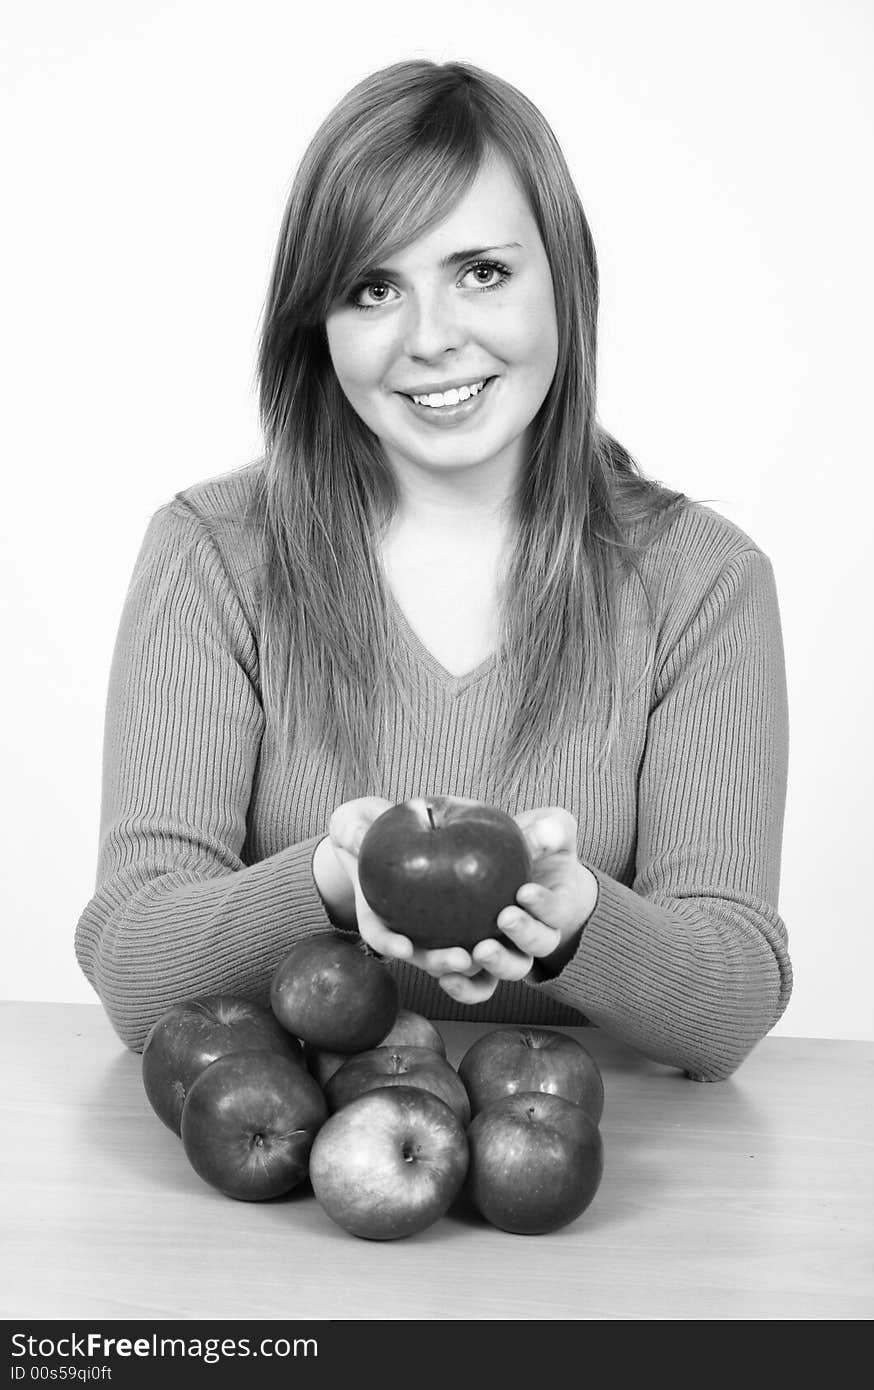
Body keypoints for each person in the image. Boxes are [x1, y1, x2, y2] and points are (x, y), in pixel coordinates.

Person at [75, 59, 792, 1083]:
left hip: (589, 1182)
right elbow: (134, 975)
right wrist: (327, 881)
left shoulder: (702, 583)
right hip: (292, 1195)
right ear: (316, 327)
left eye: (481, 272)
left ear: (564, 279)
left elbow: (730, 1005)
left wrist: (574, 914)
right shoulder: (212, 554)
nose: (432, 339)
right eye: (373, 288)